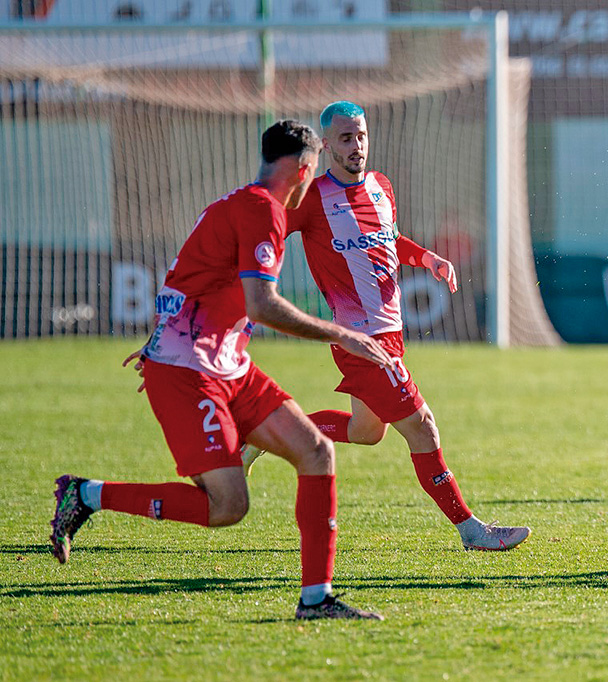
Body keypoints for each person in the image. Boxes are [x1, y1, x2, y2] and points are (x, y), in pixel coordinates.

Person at [49, 120, 395, 621]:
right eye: (315, 166)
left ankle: (316, 599)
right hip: (189, 372)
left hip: (228, 363)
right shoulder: (262, 212)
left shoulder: (242, 204)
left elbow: (186, 275)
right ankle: (85, 494)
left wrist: (160, 331)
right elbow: (263, 305)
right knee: (227, 507)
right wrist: (342, 334)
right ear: (304, 168)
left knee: (316, 452)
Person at [243, 100, 530, 552]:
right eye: (345, 138)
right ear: (325, 145)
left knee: (365, 432)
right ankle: (472, 530)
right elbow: (269, 226)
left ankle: (262, 433)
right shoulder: (312, 198)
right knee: (424, 428)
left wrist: (427, 258)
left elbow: (389, 238)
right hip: (361, 340)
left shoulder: (381, 185)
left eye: (360, 135)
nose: (356, 145)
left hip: (391, 335)